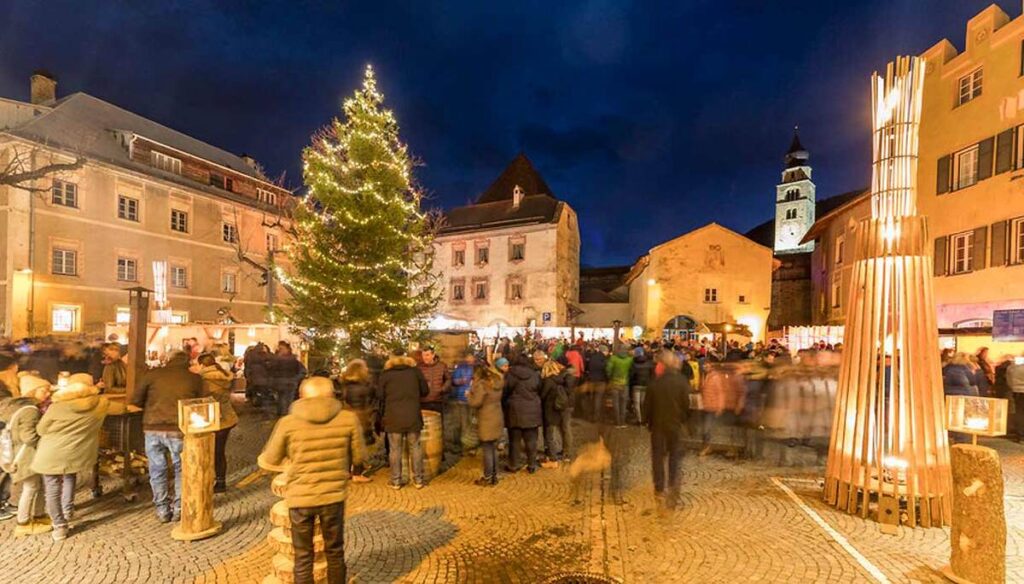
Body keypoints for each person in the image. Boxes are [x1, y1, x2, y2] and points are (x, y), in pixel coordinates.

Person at [259, 377, 365, 584]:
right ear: (332, 395)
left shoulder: (288, 423)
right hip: (333, 496)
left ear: (301, 397)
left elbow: (270, 460)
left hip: (300, 498)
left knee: (303, 555)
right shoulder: (348, 419)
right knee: (334, 551)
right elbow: (360, 457)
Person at [31, 373, 109, 540]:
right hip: (76, 452)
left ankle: (59, 526)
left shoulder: (57, 407)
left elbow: (41, 429)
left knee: (52, 488)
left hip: (51, 452)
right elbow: (121, 408)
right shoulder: (101, 404)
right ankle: (68, 510)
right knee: (69, 476)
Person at [131, 350, 204, 522]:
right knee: (181, 468)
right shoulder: (194, 379)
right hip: (179, 428)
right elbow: (201, 403)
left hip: (152, 427)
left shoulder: (152, 375)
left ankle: (162, 510)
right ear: (188, 362)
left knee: (157, 469)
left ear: (168, 360)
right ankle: (179, 508)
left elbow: (136, 400)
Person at [0, 375, 50, 533]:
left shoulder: (16, 407)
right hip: (27, 455)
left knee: (35, 486)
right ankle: (23, 523)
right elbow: (28, 437)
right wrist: (43, 436)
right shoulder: (30, 410)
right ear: (33, 391)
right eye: (44, 389)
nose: (48, 393)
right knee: (31, 487)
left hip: (16, 453)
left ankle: (38, 516)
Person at [643, 350, 690, 508]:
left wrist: (647, 422)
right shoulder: (682, 381)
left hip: (658, 425)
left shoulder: (655, 382)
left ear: (662, 365)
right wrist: (682, 419)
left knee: (658, 456)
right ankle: (672, 482)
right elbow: (686, 404)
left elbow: (647, 406)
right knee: (674, 455)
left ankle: (659, 486)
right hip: (675, 424)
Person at [377, 349, 429, 489]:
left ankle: (396, 481)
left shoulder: (386, 375)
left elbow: (380, 395)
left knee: (395, 449)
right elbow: (425, 391)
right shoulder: (415, 372)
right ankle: (418, 480)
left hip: (393, 416)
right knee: (416, 447)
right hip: (412, 415)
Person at [197, 353, 237, 493]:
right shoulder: (224, 375)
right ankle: (221, 481)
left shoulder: (203, 378)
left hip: (211, 418)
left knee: (208, 451)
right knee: (219, 452)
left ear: (202, 364)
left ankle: (208, 480)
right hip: (226, 417)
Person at [502, 354, 543, 473]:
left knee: (514, 440)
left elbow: (505, 391)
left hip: (514, 410)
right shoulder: (534, 375)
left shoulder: (509, 374)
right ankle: (531, 464)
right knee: (531, 440)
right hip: (532, 410)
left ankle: (514, 464)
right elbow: (539, 388)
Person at [467, 364, 504, 486]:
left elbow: (476, 402)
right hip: (497, 416)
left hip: (486, 419)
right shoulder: (497, 383)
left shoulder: (482, 385)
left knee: (487, 449)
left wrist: (469, 395)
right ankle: (495, 475)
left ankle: (488, 477)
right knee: (493, 448)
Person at [339, 359, 376, 483]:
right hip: (360, 415)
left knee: (348, 445)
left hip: (346, 414)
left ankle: (347, 471)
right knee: (359, 445)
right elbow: (372, 397)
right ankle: (357, 473)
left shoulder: (344, 384)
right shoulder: (364, 385)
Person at [538, 353, 572, 467]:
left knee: (550, 434)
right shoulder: (560, 379)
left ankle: (553, 459)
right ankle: (558, 454)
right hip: (558, 409)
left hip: (550, 410)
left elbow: (543, 395)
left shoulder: (549, 381)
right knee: (558, 431)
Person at [447, 352, 476, 459]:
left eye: (471, 358)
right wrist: (461, 381)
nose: (470, 360)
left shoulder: (477, 369)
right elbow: (454, 381)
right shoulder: (460, 368)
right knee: (463, 423)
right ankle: (464, 447)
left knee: (472, 424)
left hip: (474, 400)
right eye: (468, 358)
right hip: (462, 399)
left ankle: (471, 446)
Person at [271, 341, 306, 416]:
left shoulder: (293, 360)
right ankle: (284, 415)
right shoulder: (276, 360)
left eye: (282, 348)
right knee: (282, 400)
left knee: (287, 400)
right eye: (280, 348)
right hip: (281, 383)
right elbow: (271, 371)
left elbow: (302, 371)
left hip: (289, 383)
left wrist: (295, 379)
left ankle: (285, 416)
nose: (281, 350)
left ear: (287, 349)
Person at [605, 347, 633, 427]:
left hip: (615, 383)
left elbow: (608, 369)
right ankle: (623, 422)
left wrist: (610, 377)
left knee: (616, 403)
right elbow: (631, 370)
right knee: (623, 403)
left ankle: (617, 422)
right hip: (625, 383)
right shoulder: (629, 360)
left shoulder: (613, 358)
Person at [585, 345, 609, 422]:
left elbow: (588, 367)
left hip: (592, 380)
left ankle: (589, 415)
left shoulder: (593, 357)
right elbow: (606, 370)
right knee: (598, 399)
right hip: (601, 381)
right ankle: (596, 417)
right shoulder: (604, 359)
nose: (607, 353)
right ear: (604, 351)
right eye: (607, 351)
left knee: (592, 398)